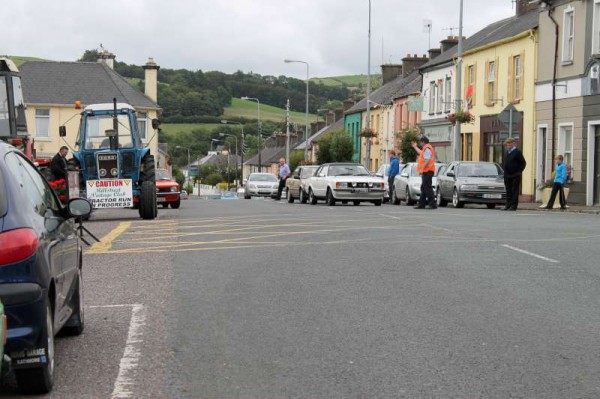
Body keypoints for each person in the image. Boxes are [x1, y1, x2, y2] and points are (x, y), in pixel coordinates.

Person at [411, 136, 437, 209]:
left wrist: (422, 169)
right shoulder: (426, 148)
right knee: (424, 188)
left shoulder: (427, 149)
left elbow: (427, 159)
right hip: (427, 171)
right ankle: (421, 204)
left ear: (423, 142)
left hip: (428, 171)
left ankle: (432, 204)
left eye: (420, 142)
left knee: (427, 188)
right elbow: (421, 153)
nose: (420, 143)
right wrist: (415, 147)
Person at [502, 137, 527, 211]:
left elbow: (523, 163)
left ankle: (513, 206)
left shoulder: (517, 152)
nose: (508, 145)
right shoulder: (507, 152)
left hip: (515, 175)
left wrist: (519, 172)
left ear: (513, 144)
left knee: (514, 191)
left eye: (509, 143)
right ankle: (508, 205)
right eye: (507, 144)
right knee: (508, 191)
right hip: (507, 175)